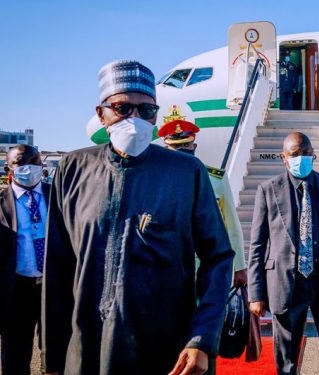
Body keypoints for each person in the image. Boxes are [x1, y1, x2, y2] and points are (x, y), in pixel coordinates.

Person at [42, 60, 234, 375]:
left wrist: (202, 339)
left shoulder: (186, 173)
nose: (135, 118)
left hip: (168, 352)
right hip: (89, 347)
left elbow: (218, 256)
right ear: (101, 112)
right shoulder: (72, 170)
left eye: (146, 111)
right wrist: (52, 357)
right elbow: (58, 268)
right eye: (122, 108)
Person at [247, 132, 319, 375]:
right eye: (295, 154)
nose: (302, 158)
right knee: (287, 359)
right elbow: (257, 246)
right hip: (287, 286)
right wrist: (256, 294)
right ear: (284, 158)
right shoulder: (268, 190)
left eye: (306, 153)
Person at [158, 119, 248, 287]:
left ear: (194, 146)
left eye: (186, 146)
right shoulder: (156, 181)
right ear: (166, 149)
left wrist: (239, 266)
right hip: (167, 264)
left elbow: (230, 225)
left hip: (206, 264)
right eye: (176, 148)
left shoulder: (216, 180)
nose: (182, 151)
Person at [0, 145, 50, 375]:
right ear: (8, 168)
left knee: (56, 351)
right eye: (21, 162)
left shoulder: (60, 196)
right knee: (16, 352)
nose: (29, 167)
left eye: (34, 161)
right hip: (16, 286)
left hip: (54, 285)